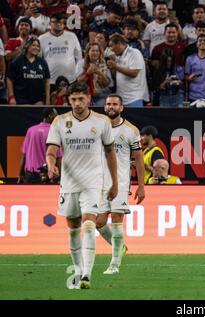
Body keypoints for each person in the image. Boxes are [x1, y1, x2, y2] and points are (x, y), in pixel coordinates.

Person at [46, 81, 118, 289]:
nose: (77, 103)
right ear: (68, 100)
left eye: (81, 99)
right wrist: (51, 165)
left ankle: (86, 274)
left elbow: (110, 152)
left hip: (93, 183)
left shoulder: (102, 122)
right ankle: (78, 270)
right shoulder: (60, 122)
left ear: (89, 99)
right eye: (73, 100)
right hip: (69, 183)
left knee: (88, 224)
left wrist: (114, 182)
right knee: (73, 228)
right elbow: (52, 150)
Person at [96, 94, 146, 275]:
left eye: (115, 104)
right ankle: (120, 247)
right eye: (108, 103)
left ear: (121, 108)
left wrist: (141, 185)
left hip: (121, 183)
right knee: (99, 222)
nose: (111, 106)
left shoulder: (130, 130)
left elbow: (139, 159)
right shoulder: (97, 128)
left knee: (117, 220)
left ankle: (114, 265)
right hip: (100, 184)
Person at [18, 107, 61, 184]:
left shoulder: (30, 130)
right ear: (50, 116)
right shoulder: (54, 131)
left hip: (29, 176)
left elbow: (24, 155)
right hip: (47, 175)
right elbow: (58, 158)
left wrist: (20, 174)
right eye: (56, 115)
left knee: (29, 196)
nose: (58, 117)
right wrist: (61, 177)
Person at [38, 12, 82, 86]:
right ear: (49, 23)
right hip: (50, 80)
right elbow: (38, 59)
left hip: (71, 79)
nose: (58, 24)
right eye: (55, 22)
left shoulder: (72, 36)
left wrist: (78, 74)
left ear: (64, 23)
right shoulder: (41, 38)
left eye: (61, 22)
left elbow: (79, 57)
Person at [107, 34, 149, 107]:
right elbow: (117, 75)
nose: (111, 49)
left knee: (134, 119)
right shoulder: (118, 56)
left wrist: (116, 67)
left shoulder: (134, 53)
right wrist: (113, 67)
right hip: (121, 99)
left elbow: (134, 73)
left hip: (134, 98)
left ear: (119, 43)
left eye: (112, 45)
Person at [6, 38, 50, 105]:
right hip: (21, 100)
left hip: (38, 100)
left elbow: (47, 80)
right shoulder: (18, 61)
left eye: (38, 46)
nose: (36, 48)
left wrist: (47, 99)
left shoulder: (42, 62)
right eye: (33, 45)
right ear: (27, 46)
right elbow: (9, 78)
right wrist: (11, 97)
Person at [75, 42, 112, 107]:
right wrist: (87, 73)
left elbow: (107, 83)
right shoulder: (81, 63)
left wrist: (100, 73)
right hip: (85, 94)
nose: (95, 53)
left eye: (97, 51)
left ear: (100, 53)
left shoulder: (103, 63)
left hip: (102, 94)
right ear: (88, 52)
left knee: (98, 111)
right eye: (92, 51)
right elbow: (79, 81)